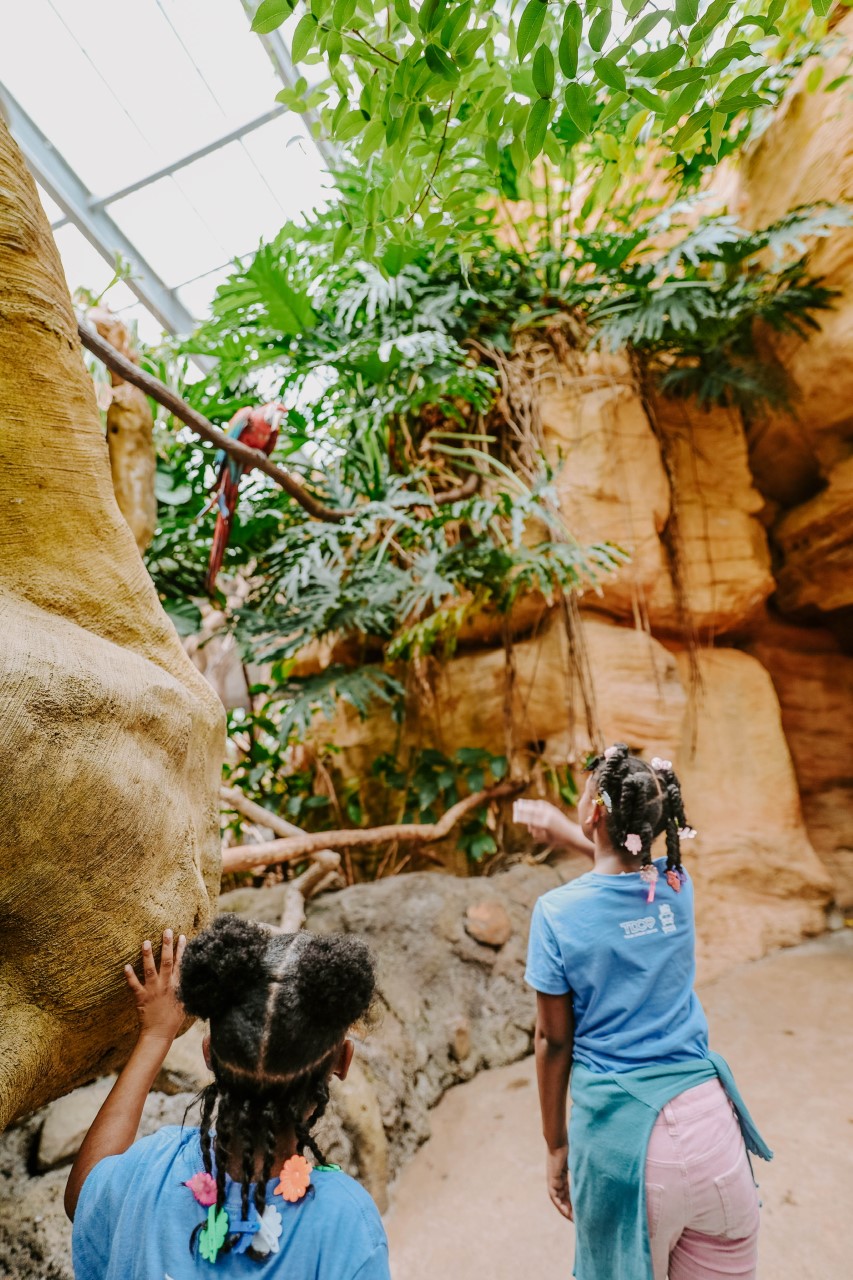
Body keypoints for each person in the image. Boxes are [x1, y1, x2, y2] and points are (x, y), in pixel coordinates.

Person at [515, 744, 771, 1280]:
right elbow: (630, 875)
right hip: (716, 1141)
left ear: (595, 814)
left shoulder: (556, 915)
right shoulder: (677, 887)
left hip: (628, 1155)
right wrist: (573, 832)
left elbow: (553, 1041)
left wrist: (555, 1145)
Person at [65, 916, 390, 1279]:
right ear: (343, 1061)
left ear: (209, 1053)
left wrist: (156, 1036)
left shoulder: (153, 1167)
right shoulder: (348, 1225)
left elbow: (84, 1194)